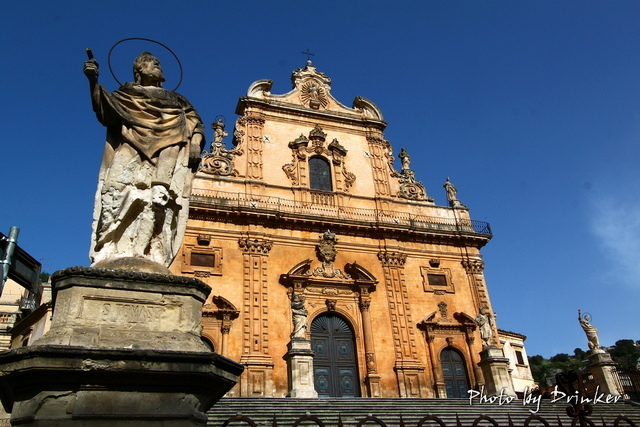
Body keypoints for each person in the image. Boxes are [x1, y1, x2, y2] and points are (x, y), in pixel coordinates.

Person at [84, 52, 205, 268]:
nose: (158, 66)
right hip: (132, 143)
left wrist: (195, 142)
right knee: (114, 191)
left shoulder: (177, 100)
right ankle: (107, 245)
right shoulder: (126, 95)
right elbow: (104, 111)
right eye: (153, 63)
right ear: (139, 70)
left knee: (158, 200)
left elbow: (195, 122)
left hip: (169, 148)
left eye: (159, 63)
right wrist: (93, 80)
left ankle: (146, 253)